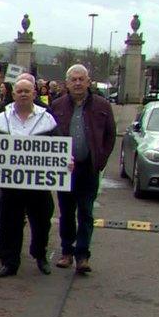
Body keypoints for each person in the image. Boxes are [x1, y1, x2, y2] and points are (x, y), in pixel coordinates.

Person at [49, 64, 116, 274]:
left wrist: (100, 160)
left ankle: (83, 255)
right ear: (67, 83)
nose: (77, 83)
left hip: (89, 168)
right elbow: (49, 134)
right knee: (67, 212)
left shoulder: (102, 105)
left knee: (86, 213)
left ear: (88, 81)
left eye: (81, 79)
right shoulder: (57, 105)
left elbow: (110, 135)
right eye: (73, 80)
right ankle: (67, 252)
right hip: (65, 169)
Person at [0, 79, 58, 278]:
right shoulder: (1, 119)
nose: (23, 94)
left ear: (34, 94)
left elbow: (59, 147)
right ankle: (9, 263)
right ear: (13, 94)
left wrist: (65, 162)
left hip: (39, 184)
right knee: (10, 223)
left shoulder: (47, 119)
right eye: (19, 91)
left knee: (42, 221)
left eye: (27, 91)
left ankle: (40, 256)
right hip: (11, 183)